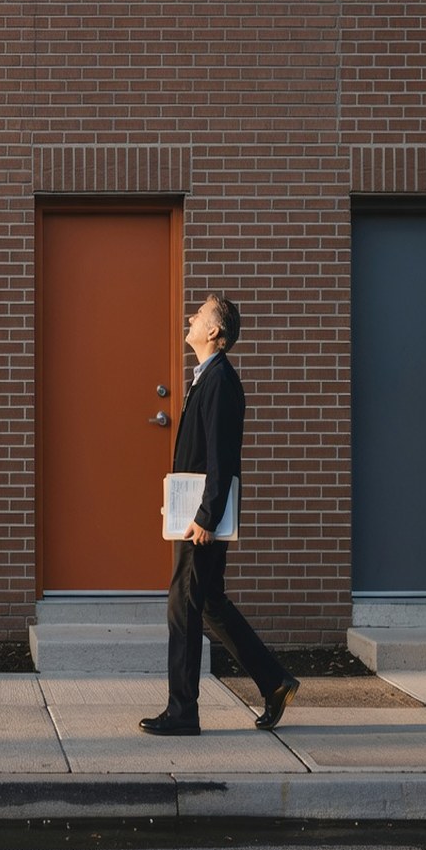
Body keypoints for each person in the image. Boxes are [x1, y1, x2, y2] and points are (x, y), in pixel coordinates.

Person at [139, 293, 299, 737]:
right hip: (193, 514)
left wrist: (206, 516)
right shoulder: (206, 379)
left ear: (214, 332)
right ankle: (275, 681)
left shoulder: (220, 381)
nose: (191, 317)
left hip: (202, 521)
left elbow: (221, 458)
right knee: (208, 602)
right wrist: (180, 507)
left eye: (200, 314)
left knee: (182, 606)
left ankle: (182, 712)